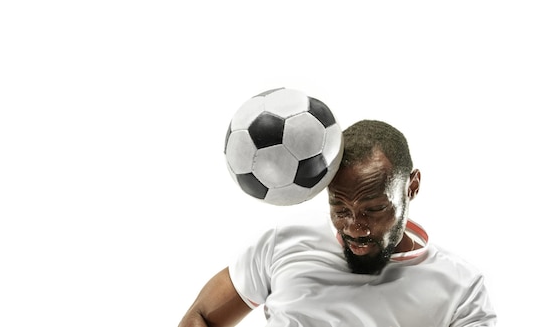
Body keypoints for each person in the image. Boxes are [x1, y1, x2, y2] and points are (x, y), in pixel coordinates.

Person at [178, 120, 497, 327]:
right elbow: (202, 316)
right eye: (340, 208)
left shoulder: (462, 289)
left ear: (411, 187)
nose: (355, 228)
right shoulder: (284, 244)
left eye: (374, 209)